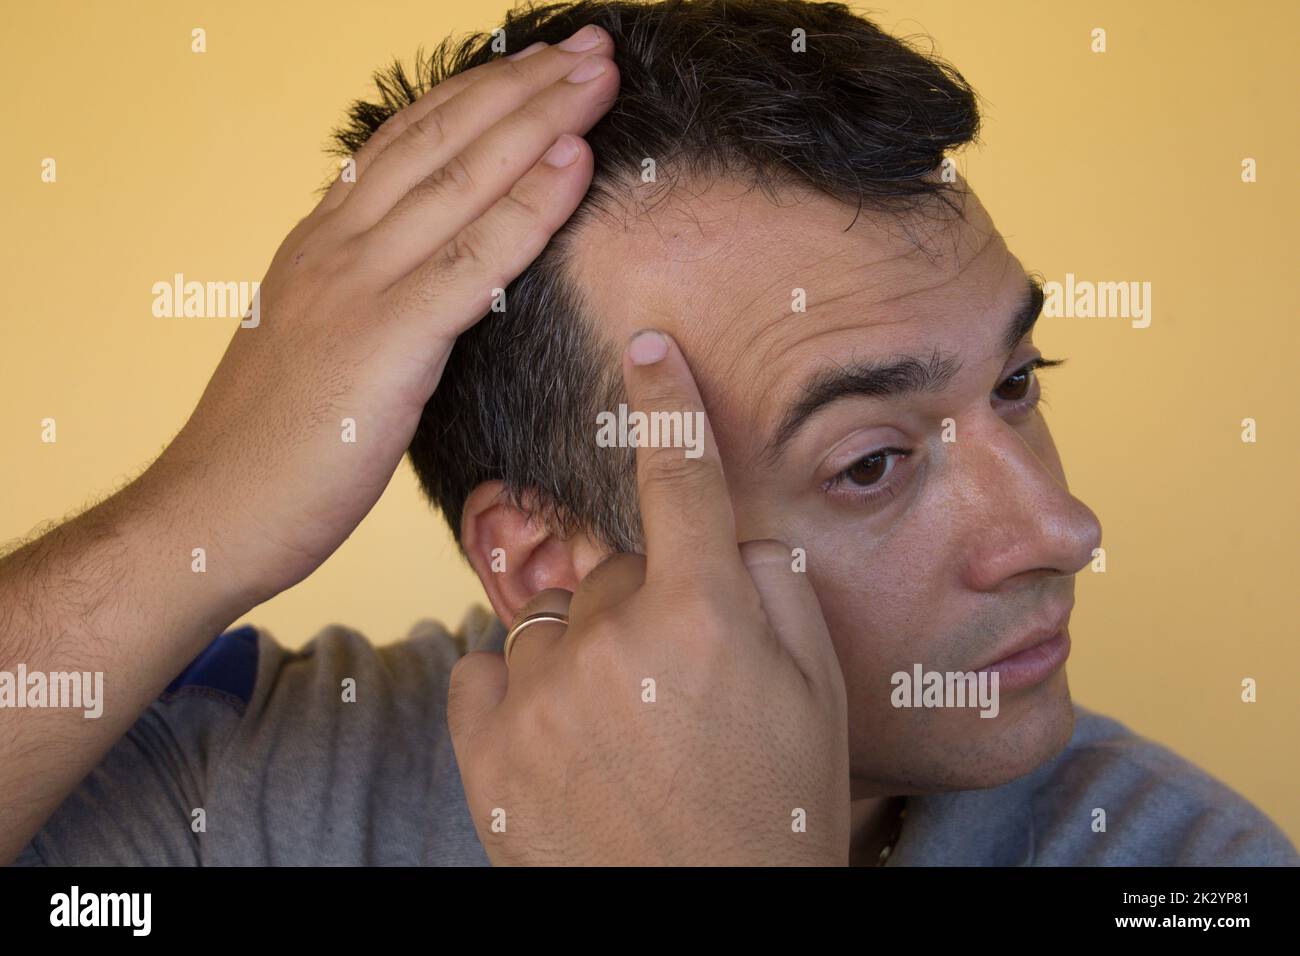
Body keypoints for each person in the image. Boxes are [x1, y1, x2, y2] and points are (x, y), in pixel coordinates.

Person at [3, 0, 1294, 866]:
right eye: (871, 463)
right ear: (541, 561)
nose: (1062, 529)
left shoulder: (1186, 865)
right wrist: (193, 518)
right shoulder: (261, 798)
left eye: (1018, 382)